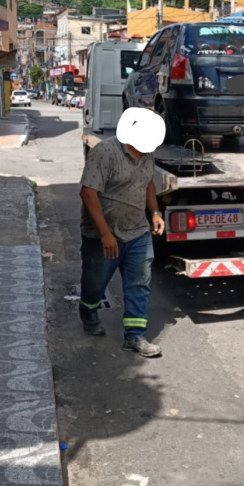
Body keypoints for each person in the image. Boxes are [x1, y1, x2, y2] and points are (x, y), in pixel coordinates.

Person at [79, 108, 166, 357]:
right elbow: (88, 193)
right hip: (102, 236)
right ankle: (88, 311)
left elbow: (148, 183)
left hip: (137, 232)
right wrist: (105, 234)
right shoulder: (105, 152)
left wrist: (155, 212)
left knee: (139, 284)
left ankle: (135, 336)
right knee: (95, 284)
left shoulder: (147, 154)